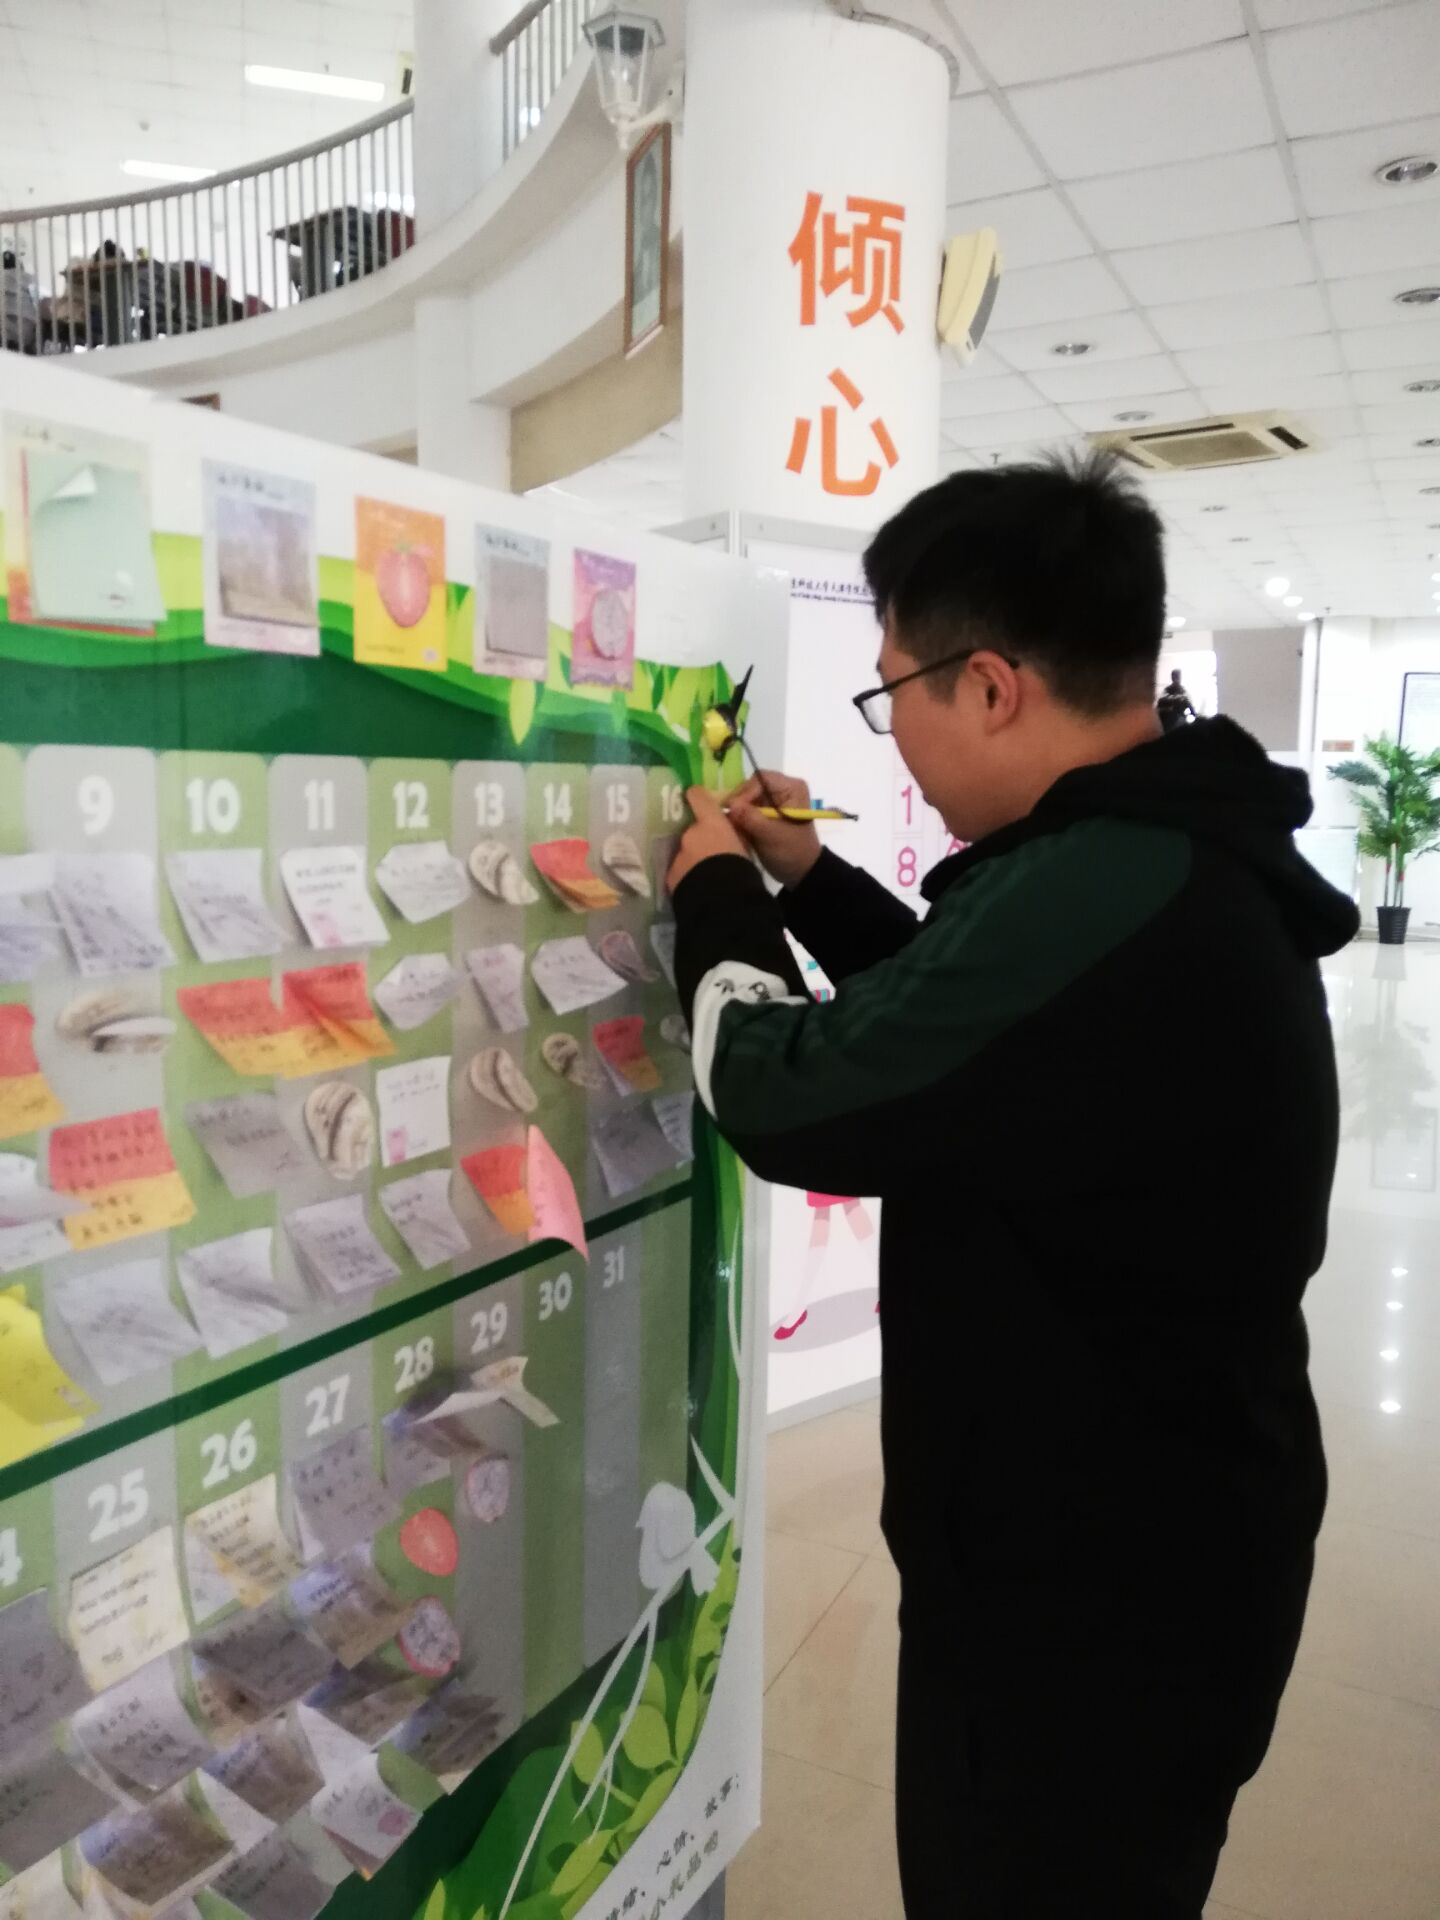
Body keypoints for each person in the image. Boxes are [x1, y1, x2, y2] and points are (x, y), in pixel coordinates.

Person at [665, 451, 1358, 1918]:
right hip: (1155, 1539)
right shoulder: (1155, 848)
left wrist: (713, 893)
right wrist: (804, 877)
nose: (896, 735)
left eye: (892, 693)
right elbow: (975, 1020)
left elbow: (785, 1095)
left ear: (987, 686)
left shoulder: (1108, 884)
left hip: (1089, 1603)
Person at [1158, 666, 1198, 733]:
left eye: (1178, 677)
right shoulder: (1168, 689)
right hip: (1168, 719)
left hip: (1179, 719)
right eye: (1175, 677)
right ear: (1172, 678)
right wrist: (1177, 698)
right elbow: (1162, 698)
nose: (1177, 679)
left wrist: (1194, 714)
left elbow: (1189, 703)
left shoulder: (1183, 690)